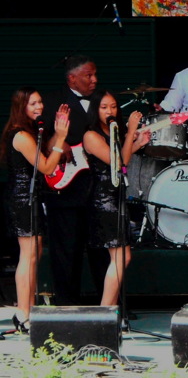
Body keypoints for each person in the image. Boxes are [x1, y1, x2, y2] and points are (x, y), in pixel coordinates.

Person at [0, 88, 70, 332]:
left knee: (33, 255)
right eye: (33, 103)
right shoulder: (21, 136)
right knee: (28, 257)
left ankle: (27, 310)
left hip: (31, 197)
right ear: (22, 106)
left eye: (40, 102)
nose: (39, 106)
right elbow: (47, 167)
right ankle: (23, 313)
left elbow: (45, 154)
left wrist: (59, 131)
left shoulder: (29, 132)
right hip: (24, 199)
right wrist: (61, 138)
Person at [40, 54, 108, 305]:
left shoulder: (103, 100)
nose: (94, 80)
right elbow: (38, 135)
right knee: (66, 249)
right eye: (88, 75)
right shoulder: (52, 101)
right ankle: (66, 305)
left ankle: (108, 303)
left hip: (99, 186)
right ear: (72, 78)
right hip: (66, 187)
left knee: (102, 248)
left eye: (95, 74)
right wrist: (54, 142)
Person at [83, 91, 150, 306]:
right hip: (103, 198)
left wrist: (137, 143)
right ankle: (106, 310)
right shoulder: (91, 135)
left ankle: (109, 310)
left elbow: (123, 158)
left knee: (120, 257)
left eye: (113, 106)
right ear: (95, 110)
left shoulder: (111, 132)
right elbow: (118, 162)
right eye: (104, 107)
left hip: (116, 195)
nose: (110, 111)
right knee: (121, 257)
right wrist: (131, 131)